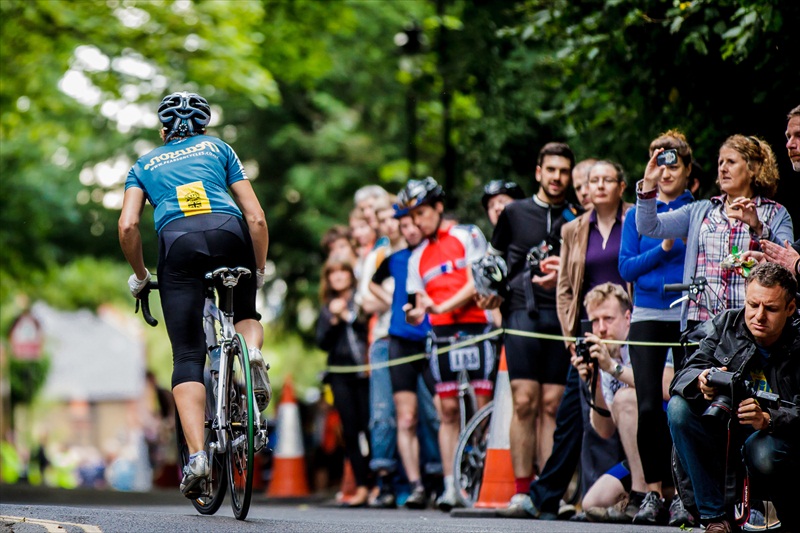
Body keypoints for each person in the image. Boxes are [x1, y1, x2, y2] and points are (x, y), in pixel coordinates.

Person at [119, 92, 270, 498]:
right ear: (203, 126)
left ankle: (199, 458)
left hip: (178, 242)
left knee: (187, 355)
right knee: (246, 314)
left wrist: (141, 276)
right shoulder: (219, 148)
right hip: (229, 232)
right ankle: (252, 355)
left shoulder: (143, 165)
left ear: (163, 130)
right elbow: (256, 217)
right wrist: (257, 270)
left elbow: (128, 226)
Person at [483, 143, 581, 517]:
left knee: (553, 405)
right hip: (521, 313)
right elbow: (493, 261)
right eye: (551, 169)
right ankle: (521, 492)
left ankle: (549, 492)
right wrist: (489, 291)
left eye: (564, 171)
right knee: (524, 400)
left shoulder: (577, 214)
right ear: (538, 172)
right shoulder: (513, 212)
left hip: (561, 315)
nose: (557, 177)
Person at [667, 262, 800, 533]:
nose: (759, 316)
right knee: (679, 408)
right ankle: (716, 518)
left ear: (790, 308)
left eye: (771, 308)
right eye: (753, 305)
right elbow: (683, 375)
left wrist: (768, 419)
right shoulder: (727, 323)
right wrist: (701, 380)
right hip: (727, 430)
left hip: (776, 438)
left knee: (762, 451)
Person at [401, 177, 494, 511]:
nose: (417, 222)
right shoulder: (416, 256)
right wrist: (414, 313)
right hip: (441, 335)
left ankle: (485, 478)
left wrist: (440, 306)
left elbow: (477, 282)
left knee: (483, 406)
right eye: (413, 216)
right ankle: (451, 485)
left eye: (422, 213)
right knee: (448, 410)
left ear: (439, 207)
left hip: (476, 327)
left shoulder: (467, 235)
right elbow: (417, 306)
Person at [636, 134, 793, 334]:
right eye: (720, 163)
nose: (723, 168)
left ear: (753, 169)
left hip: (751, 322)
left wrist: (759, 227)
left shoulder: (776, 213)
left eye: (731, 162)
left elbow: (787, 267)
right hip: (701, 322)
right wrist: (649, 184)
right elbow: (649, 226)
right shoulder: (701, 210)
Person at [618, 130, 695, 524]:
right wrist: (663, 249)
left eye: (673, 165)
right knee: (648, 406)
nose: (665, 173)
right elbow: (626, 268)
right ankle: (653, 492)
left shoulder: (697, 211)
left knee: (684, 406)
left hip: (686, 314)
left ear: (688, 171)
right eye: (657, 164)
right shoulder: (636, 214)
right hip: (647, 313)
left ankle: (683, 493)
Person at [557, 160, 632, 498]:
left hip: (628, 324)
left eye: (607, 180)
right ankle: (597, 497)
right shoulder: (573, 229)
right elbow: (564, 289)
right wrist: (570, 337)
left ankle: (641, 490)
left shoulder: (634, 219)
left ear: (621, 186)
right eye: (593, 181)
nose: (599, 186)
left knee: (631, 400)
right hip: (591, 326)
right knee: (595, 406)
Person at [369, 205, 438, 509]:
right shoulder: (395, 258)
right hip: (400, 340)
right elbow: (372, 282)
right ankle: (416, 486)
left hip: (433, 338)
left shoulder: (434, 254)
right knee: (406, 417)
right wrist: (392, 302)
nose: (409, 230)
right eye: (404, 225)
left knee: (437, 413)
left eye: (413, 224)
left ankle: (442, 480)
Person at [316, 257, 372, 507]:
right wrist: (333, 320)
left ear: (350, 275)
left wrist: (347, 315)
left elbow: (366, 329)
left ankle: (378, 483)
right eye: (333, 273)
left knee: (370, 427)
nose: (338, 277)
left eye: (342, 272)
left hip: (365, 371)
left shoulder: (361, 300)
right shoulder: (327, 307)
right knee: (349, 431)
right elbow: (322, 342)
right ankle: (362, 486)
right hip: (339, 375)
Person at [749, 106, 800, 276]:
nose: (789, 144)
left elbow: (794, 261)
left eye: (799, 135)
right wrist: (770, 262)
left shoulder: (778, 212)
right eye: (788, 137)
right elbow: (793, 252)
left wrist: (797, 265)